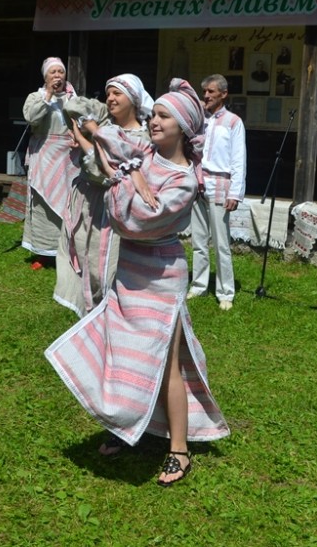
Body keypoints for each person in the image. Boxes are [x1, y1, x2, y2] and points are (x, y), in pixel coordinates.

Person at [46, 79, 230, 487]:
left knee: (167, 363)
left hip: (160, 276)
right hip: (128, 269)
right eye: (154, 114)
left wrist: (121, 177)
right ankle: (124, 425)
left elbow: (134, 221)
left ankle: (178, 450)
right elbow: (108, 138)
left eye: (164, 116)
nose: (154, 121)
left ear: (184, 127)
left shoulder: (185, 180)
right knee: (120, 350)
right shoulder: (144, 153)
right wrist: (109, 147)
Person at [53, 73, 153, 316]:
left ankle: (107, 315)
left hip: (111, 209)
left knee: (104, 266)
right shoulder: (106, 125)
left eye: (117, 94)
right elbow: (73, 106)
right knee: (83, 258)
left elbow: (103, 170)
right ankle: (90, 315)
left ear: (133, 99)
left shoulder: (141, 137)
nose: (110, 98)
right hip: (87, 202)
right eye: (108, 94)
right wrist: (95, 128)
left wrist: (86, 136)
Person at [187, 74, 246, 311]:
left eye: (211, 91)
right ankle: (199, 285)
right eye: (204, 92)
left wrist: (235, 193)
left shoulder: (233, 122)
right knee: (198, 240)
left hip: (221, 183)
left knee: (221, 243)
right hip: (199, 182)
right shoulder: (199, 120)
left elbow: (239, 159)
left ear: (223, 94)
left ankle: (225, 292)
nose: (206, 96)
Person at [22, 57, 79, 269]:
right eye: (53, 73)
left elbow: (84, 123)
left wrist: (79, 136)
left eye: (60, 72)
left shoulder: (73, 98)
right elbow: (31, 118)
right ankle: (42, 252)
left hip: (68, 158)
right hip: (44, 154)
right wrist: (47, 95)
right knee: (43, 203)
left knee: (68, 202)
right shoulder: (36, 97)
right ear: (45, 77)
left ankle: (68, 250)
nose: (57, 76)